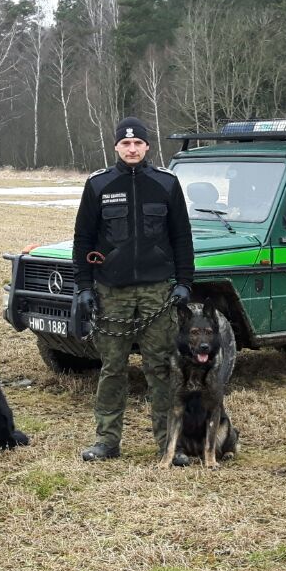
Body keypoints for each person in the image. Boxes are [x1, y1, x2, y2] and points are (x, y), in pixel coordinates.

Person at [72, 117, 195, 463]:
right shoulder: (98, 185)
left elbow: (182, 237)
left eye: (137, 143)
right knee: (113, 368)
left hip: (158, 291)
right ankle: (107, 441)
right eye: (125, 144)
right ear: (116, 147)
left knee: (160, 368)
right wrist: (84, 287)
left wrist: (185, 282)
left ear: (147, 147)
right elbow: (82, 239)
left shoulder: (166, 184)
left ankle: (168, 444)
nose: (131, 149)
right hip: (113, 291)